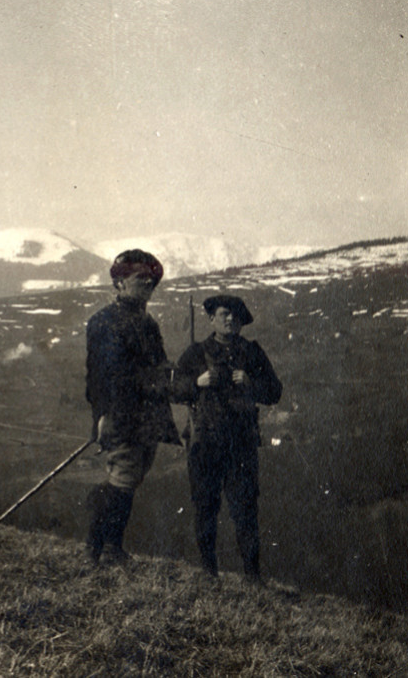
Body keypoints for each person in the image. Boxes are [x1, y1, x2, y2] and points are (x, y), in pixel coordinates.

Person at [171, 295, 282, 583]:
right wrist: (197, 383)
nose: (230, 319)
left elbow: (274, 391)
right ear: (212, 319)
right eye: (223, 314)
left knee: (245, 509)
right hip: (204, 442)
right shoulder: (196, 353)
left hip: (241, 445)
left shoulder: (252, 353)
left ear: (242, 321)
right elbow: (174, 388)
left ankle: (252, 577)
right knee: (205, 507)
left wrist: (251, 384)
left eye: (235, 316)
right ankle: (209, 573)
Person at [83, 249, 180, 566]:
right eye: (141, 278)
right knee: (123, 479)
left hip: (147, 417)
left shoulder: (148, 323)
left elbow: (156, 364)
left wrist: (169, 373)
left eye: (152, 279)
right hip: (120, 414)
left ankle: (96, 547)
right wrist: (103, 417)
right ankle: (109, 549)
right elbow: (103, 378)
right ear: (119, 283)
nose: (149, 284)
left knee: (128, 478)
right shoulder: (104, 321)